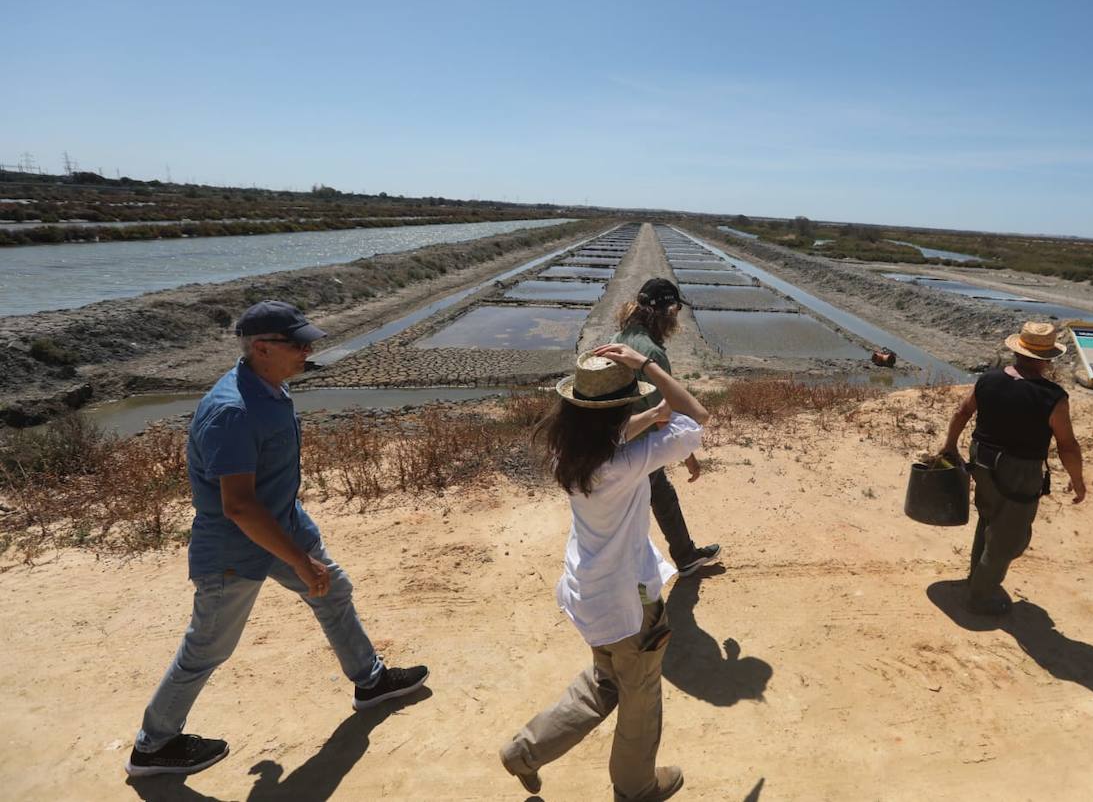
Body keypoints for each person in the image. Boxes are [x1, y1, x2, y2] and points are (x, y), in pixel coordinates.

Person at [126, 301, 428, 778]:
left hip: (282, 528)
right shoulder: (234, 411)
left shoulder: (268, 388)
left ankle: (369, 681)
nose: (309, 351)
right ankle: (154, 744)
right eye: (299, 344)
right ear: (262, 348)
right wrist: (302, 563)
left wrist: (302, 550)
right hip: (237, 549)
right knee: (207, 648)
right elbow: (239, 507)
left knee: (335, 591)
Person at [499, 343, 711, 801]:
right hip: (628, 602)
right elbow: (698, 417)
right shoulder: (631, 462)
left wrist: (651, 416)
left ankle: (524, 752)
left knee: (604, 682)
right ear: (618, 412)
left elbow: (616, 432)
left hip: (586, 594)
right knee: (640, 700)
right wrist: (647, 365)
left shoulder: (567, 450)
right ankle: (637, 788)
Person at [939, 322, 1088, 615]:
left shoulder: (989, 380)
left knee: (989, 518)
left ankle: (977, 577)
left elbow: (962, 412)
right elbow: (1067, 445)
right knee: (1009, 536)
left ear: (1018, 351)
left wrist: (950, 445)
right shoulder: (1052, 397)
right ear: (1047, 359)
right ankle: (981, 597)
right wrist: (1078, 480)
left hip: (981, 459)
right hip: (1019, 469)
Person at [612, 278, 722, 577]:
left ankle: (686, 556)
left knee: (662, 496)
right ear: (667, 311)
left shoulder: (620, 336)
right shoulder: (651, 354)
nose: (676, 317)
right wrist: (689, 456)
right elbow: (664, 414)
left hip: (619, 440)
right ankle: (634, 581)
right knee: (634, 515)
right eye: (675, 310)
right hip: (638, 447)